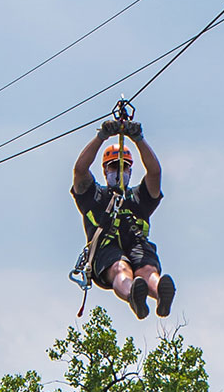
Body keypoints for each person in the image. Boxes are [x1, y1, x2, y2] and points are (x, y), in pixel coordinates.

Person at [71, 120, 175, 320]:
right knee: (120, 268)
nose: (119, 171)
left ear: (130, 170)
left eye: (124, 167)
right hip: (106, 250)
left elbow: (155, 173)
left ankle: (159, 291)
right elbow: (80, 170)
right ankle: (133, 295)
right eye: (113, 167)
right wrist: (101, 137)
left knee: (147, 270)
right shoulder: (95, 197)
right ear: (104, 170)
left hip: (137, 244)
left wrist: (139, 140)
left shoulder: (138, 198)